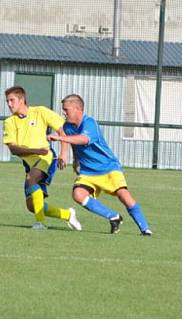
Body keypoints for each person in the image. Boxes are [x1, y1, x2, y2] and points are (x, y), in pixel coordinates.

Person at [48, 94, 152, 236]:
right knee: (78, 194)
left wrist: (59, 137)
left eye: (66, 110)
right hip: (88, 172)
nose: (64, 113)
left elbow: (83, 139)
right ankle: (114, 216)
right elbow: (71, 141)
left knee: (124, 196)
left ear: (78, 109)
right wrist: (72, 158)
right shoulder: (67, 126)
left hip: (108, 167)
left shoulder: (89, 123)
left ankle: (145, 229)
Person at [2, 86, 81, 231]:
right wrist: (35, 150)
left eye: (12, 100)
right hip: (30, 163)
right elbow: (13, 149)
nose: (9, 104)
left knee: (31, 179)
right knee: (32, 205)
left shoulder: (40, 112)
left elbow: (61, 130)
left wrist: (64, 153)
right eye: (7, 101)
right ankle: (67, 214)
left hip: (46, 158)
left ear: (22, 100)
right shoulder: (9, 122)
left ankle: (40, 223)